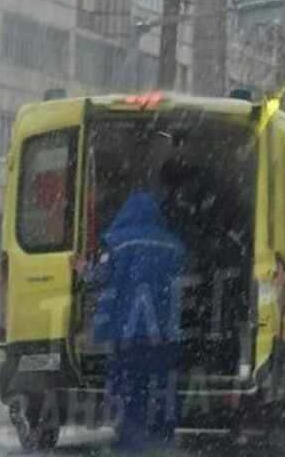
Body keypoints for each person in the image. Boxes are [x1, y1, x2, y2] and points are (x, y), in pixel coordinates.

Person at [74, 189, 186, 452]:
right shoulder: (174, 245)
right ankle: (163, 436)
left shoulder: (116, 243)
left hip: (127, 331)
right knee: (161, 385)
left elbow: (100, 276)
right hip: (164, 332)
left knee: (128, 388)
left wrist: (81, 267)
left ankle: (133, 442)